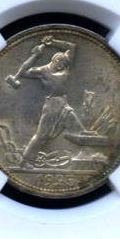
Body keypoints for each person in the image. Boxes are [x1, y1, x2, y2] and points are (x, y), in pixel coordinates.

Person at [18, 35, 85, 165]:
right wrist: (35, 56)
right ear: (55, 59)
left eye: (65, 64)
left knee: (79, 131)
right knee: (42, 135)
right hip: (52, 106)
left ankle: (85, 157)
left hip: (64, 105)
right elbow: (23, 72)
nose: (63, 66)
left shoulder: (65, 68)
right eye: (62, 63)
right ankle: (25, 161)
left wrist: (53, 42)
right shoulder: (42, 71)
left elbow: (71, 46)